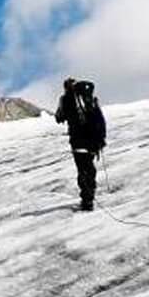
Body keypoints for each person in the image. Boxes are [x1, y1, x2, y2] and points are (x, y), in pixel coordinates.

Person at [54, 77, 107, 211]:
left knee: (83, 170)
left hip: (77, 141)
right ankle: (90, 194)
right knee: (90, 168)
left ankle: (87, 200)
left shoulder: (65, 99)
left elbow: (59, 117)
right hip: (92, 141)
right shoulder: (87, 98)